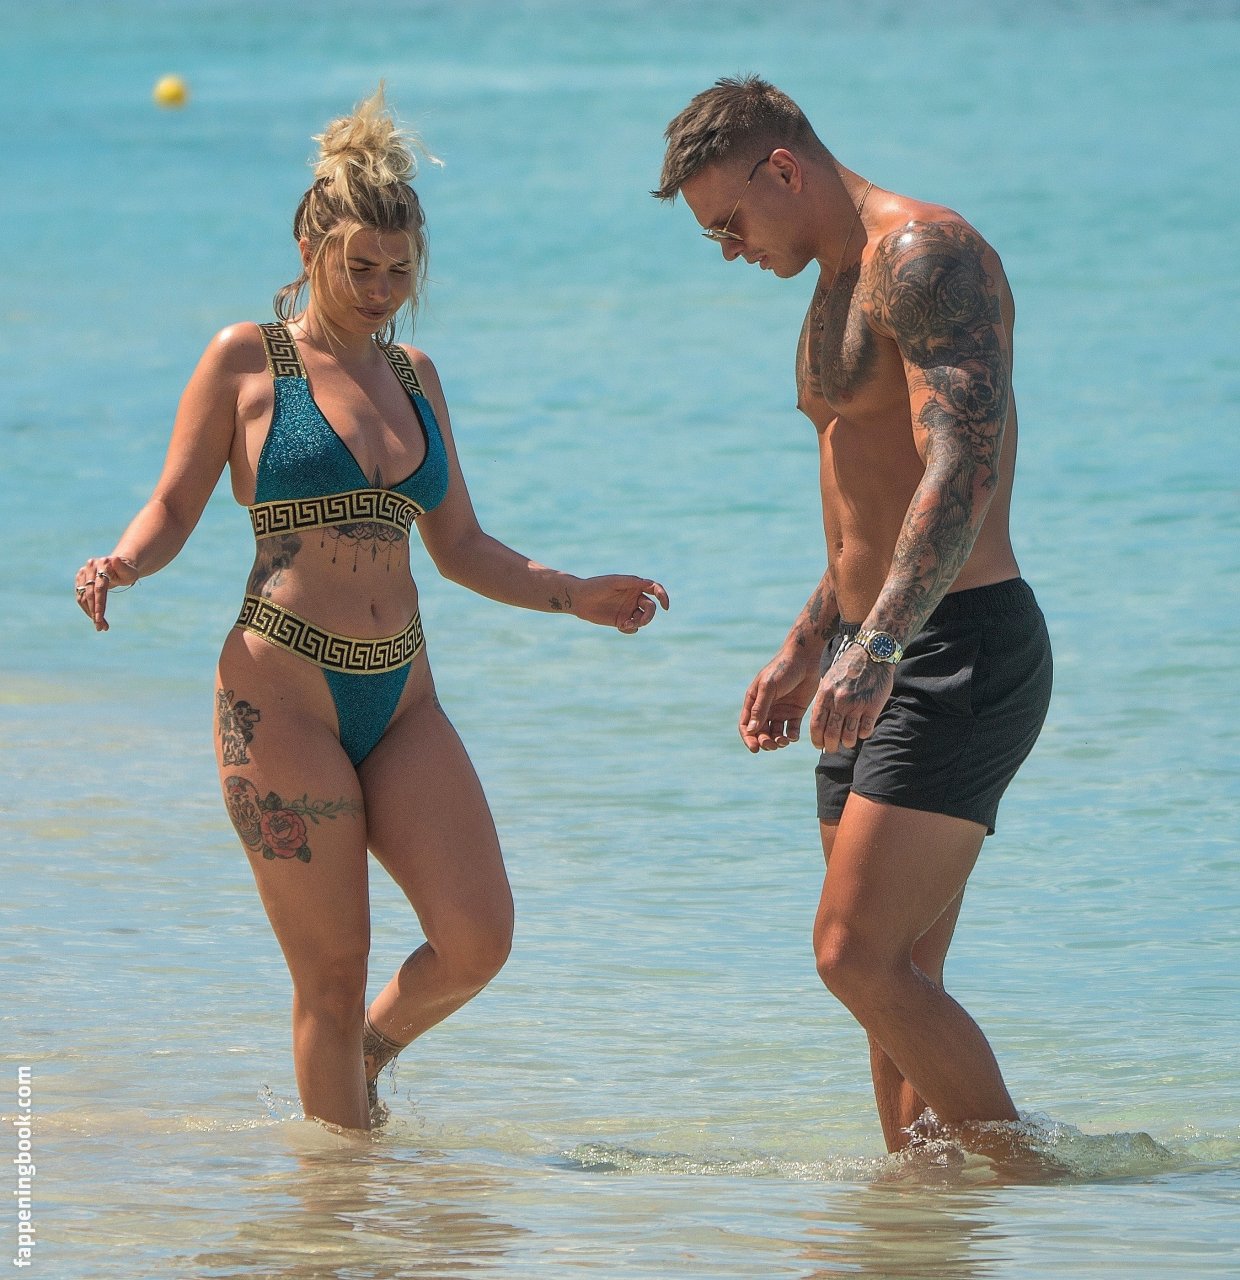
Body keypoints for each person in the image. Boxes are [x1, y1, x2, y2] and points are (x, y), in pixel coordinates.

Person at [75, 88, 668, 1133]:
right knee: (331, 972)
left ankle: (363, 1065)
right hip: (280, 696)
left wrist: (573, 594)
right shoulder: (247, 359)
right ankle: (339, 1201)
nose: (382, 292)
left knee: (477, 937)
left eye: (400, 272)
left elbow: (462, 545)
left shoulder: (413, 374)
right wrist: (124, 561)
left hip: (401, 695)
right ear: (310, 247)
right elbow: (172, 505)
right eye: (360, 268)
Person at [654, 76, 1051, 1156]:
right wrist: (809, 641)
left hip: (956, 643)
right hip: (868, 646)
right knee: (896, 981)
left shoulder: (924, 257)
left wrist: (877, 643)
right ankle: (924, 1213)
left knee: (852, 954)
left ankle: (1031, 1178)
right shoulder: (833, 286)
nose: (728, 250)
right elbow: (867, 501)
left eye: (729, 222)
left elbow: (961, 465)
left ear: (782, 168)